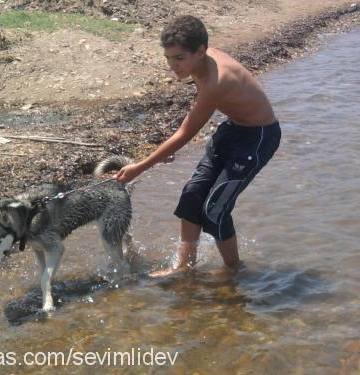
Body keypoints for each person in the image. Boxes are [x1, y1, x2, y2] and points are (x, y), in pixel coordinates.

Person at [114, 15, 281, 276]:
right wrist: (162, 153)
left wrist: (141, 167)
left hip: (259, 138)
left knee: (214, 210)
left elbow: (185, 132)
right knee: (193, 193)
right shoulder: (201, 60)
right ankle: (184, 267)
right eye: (168, 58)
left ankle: (234, 273)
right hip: (234, 128)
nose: (173, 66)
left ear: (201, 52)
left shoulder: (218, 81)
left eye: (179, 58)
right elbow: (186, 130)